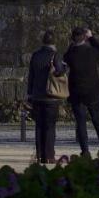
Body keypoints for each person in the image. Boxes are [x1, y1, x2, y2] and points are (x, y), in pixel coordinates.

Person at [63, 27, 99, 158]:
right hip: (93, 91)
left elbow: (65, 57)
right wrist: (91, 37)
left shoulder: (71, 54)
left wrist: (73, 45)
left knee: (81, 123)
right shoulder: (91, 51)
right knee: (98, 121)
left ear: (73, 39)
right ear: (84, 37)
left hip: (77, 93)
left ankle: (85, 151)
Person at [26, 30, 66, 163]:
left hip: (37, 95)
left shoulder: (35, 55)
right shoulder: (55, 55)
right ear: (54, 42)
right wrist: (64, 69)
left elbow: (31, 76)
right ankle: (49, 155)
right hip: (51, 96)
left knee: (39, 126)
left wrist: (29, 94)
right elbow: (59, 71)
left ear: (43, 41)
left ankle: (39, 155)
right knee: (50, 126)